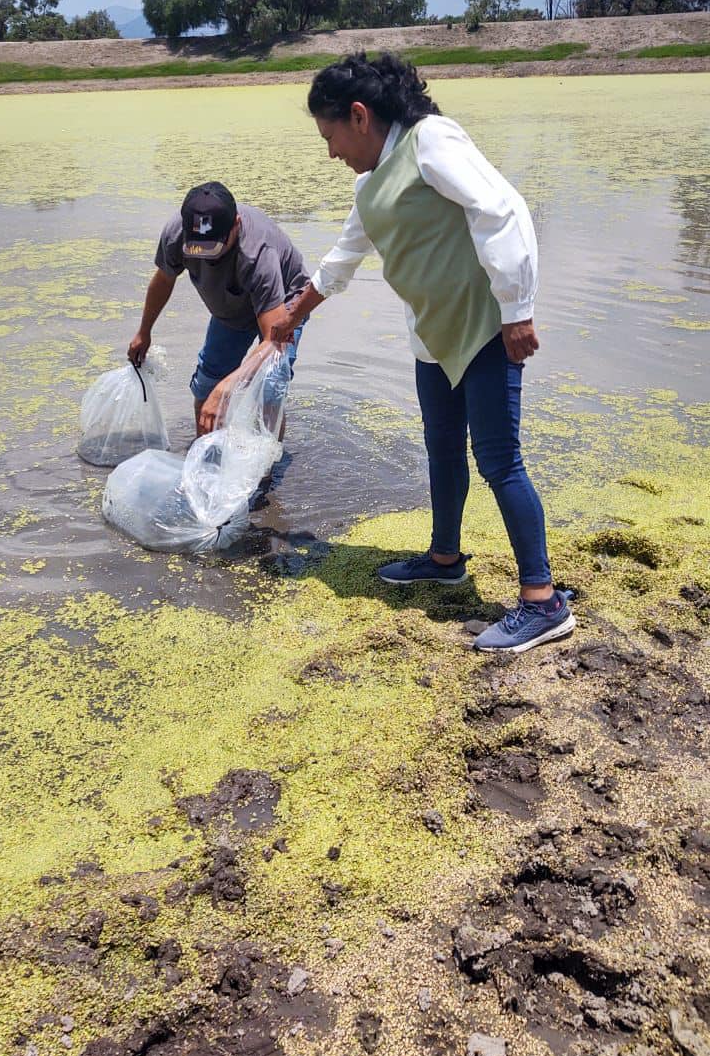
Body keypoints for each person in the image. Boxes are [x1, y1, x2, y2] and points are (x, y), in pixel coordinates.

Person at [272, 53, 575, 654]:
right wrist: (292, 315)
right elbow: (341, 259)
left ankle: (543, 602)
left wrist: (518, 310)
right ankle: (445, 558)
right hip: (433, 334)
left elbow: (502, 211)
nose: (330, 151)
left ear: (359, 116)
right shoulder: (370, 185)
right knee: (441, 448)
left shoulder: (429, 142)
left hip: (487, 325)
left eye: (329, 135)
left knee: (499, 460)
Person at [128, 182, 310, 438]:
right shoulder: (176, 234)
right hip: (231, 308)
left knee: (269, 387)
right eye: (196, 249)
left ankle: (267, 472)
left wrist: (227, 388)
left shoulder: (257, 254)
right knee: (206, 386)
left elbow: (274, 341)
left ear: (236, 224)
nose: (203, 257)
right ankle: (206, 459)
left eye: (212, 248)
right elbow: (164, 279)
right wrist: (144, 331)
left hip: (284, 304)